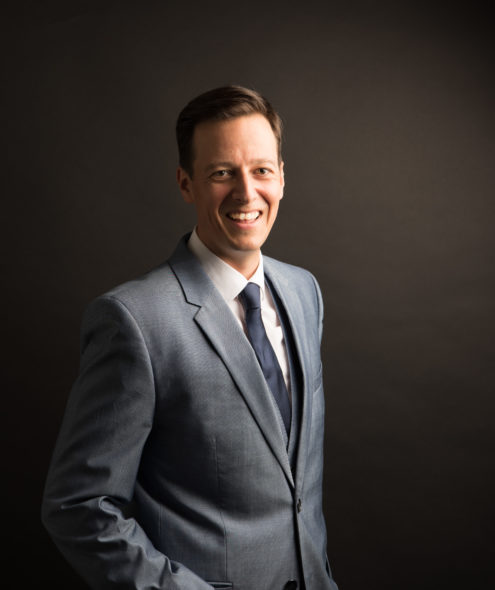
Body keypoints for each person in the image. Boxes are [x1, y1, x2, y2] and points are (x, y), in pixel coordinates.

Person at [42, 85, 339, 590]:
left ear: (282, 178)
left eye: (261, 170)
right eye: (222, 173)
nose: (246, 193)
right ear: (186, 183)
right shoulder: (133, 320)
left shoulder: (304, 292)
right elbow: (78, 506)